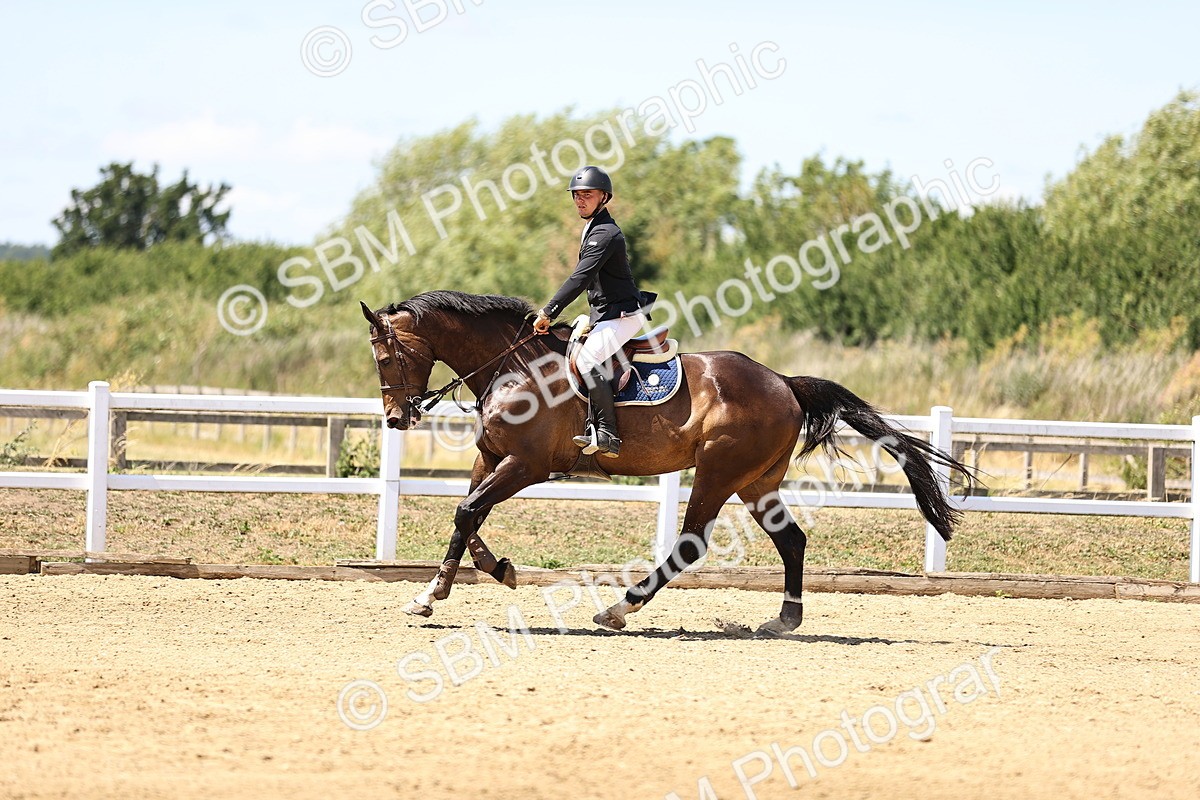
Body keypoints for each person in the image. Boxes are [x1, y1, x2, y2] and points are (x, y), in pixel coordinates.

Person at [532, 165, 653, 458]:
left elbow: (580, 278)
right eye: (576, 195)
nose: (580, 200)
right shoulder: (592, 228)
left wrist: (549, 311)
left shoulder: (606, 233)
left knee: (588, 361)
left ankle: (608, 433)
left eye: (587, 194)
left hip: (623, 314)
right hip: (605, 313)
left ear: (604, 197)